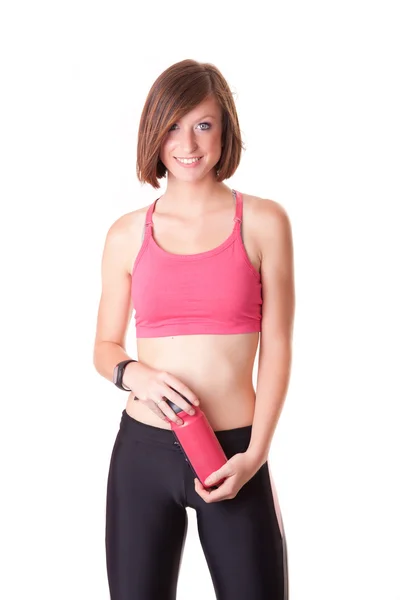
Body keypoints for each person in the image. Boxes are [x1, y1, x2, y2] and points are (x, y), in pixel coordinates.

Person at [93, 58, 295, 600]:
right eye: (173, 125)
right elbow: (104, 346)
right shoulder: (127, 233)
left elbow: (276, 347)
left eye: (203, 124)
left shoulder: (263, 222)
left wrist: (254, 456)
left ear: (224, 130)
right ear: (153, 133)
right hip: (142, 453)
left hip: (233, 455)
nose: (187, 143)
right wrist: (136, 374)